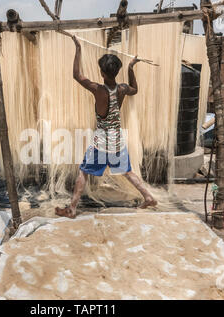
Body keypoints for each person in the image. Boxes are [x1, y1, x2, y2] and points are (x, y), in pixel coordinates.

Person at [55, 35, 157, 219]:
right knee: (127, 171)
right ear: (116, 71)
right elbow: (135, 88)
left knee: (84, 172)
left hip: (101, 143)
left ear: (102, 73)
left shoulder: (98, 90)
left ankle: (72, 208)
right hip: (117, 140)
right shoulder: (123, 89)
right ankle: (148, 197)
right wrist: (131, 67)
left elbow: (76, 75)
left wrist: (78, 48)